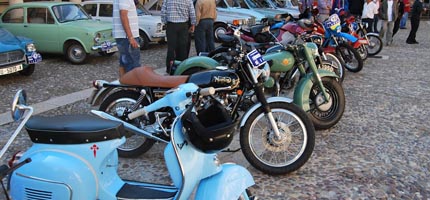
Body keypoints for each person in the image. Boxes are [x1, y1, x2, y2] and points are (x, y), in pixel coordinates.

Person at [161, 0, 197, 74]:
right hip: (183, 25)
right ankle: (182, 68)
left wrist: (165, 22)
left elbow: (163, 11)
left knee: (171, 48)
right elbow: (192, 13)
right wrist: (193, 24)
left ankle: (169, 68)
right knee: (183, 48)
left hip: (171, 25)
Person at [113, 0, 141, 77]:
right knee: (133, 65)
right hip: (127, 37)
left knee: (124, 62)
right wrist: (131, 37)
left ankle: (123, 85)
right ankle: (132, 87)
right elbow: (123, 15)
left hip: (123, 36)